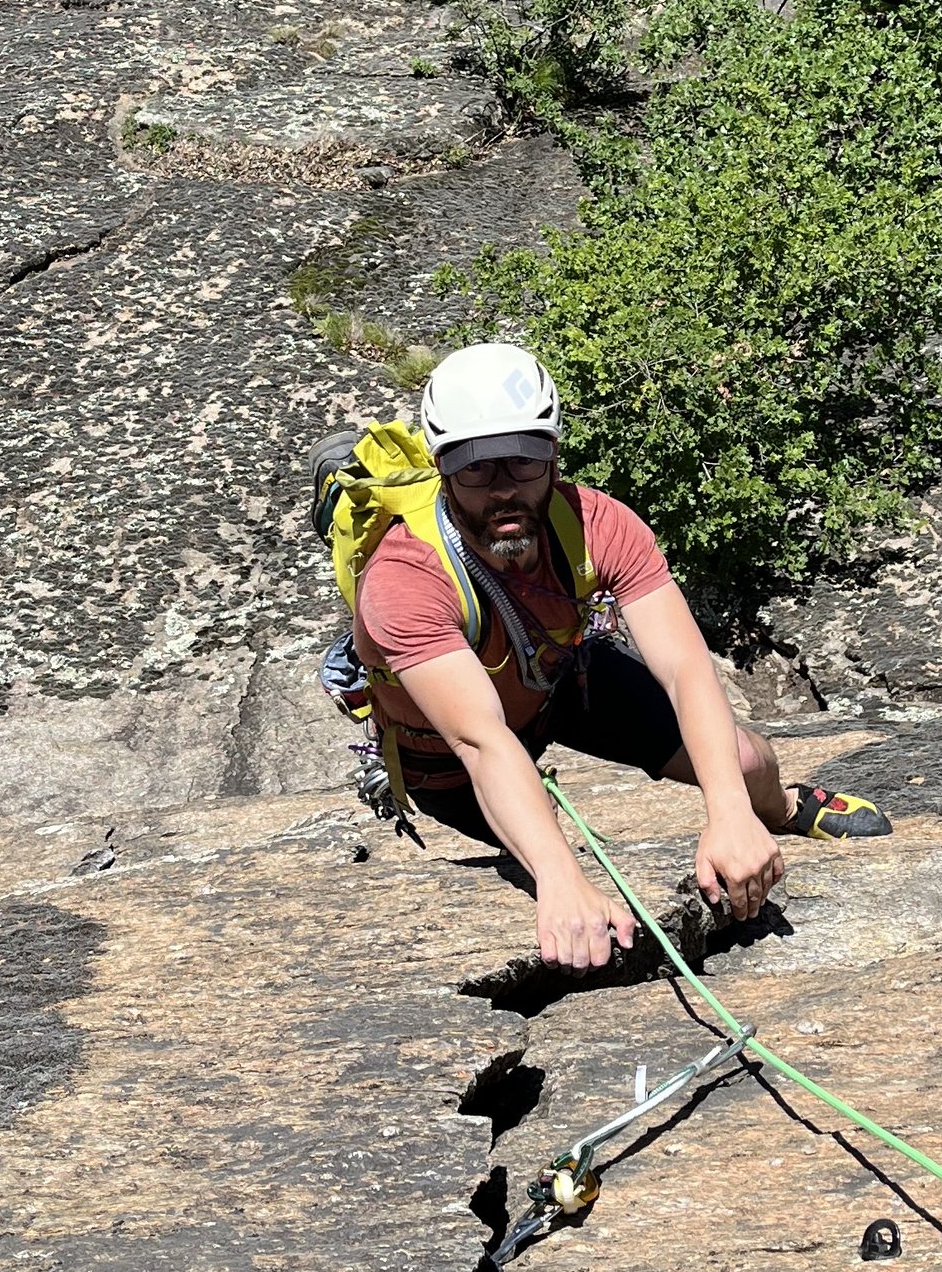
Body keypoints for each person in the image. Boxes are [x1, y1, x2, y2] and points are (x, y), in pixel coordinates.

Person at [351, 342, 891, 967]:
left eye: (523, 463)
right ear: (444, 468)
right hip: (445, 752)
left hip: (558, 681)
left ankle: (788, 806)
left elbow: (686, 667)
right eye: (476, 470)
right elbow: (481, 742)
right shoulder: (405, 578)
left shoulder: (596, 523)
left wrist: (732, 812)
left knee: (741, 764)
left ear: (552, 455)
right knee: (539, 832)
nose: (503, 491)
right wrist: (559, 877)